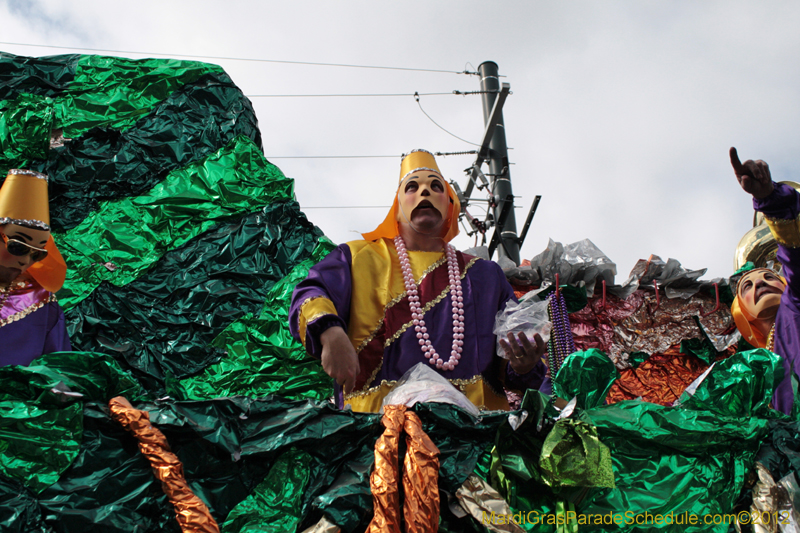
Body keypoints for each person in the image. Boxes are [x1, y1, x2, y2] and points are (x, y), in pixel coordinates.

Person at [290, 149, 549, 412]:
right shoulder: (357, 257)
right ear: (397, 207)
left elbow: (517, 368)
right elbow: (311, 293)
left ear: (450, 204)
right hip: (375, 424)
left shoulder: (486, 275)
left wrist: (523, 364)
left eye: (435, 186)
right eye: (412, 187)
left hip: (475, 426)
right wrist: (330, 333)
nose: (424, 191)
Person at [730, 147, 800, 414]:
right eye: (747, 286)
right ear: (742, 313)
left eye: (770, 276)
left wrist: (771, 198)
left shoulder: (794, 307)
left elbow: (796, 258)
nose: (759, 283)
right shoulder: (751, 372)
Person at [0, 169, 70, 366]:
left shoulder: (41, 303)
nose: (26, 261)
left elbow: (57, 369)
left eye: (37, 254)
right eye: (19, 247)